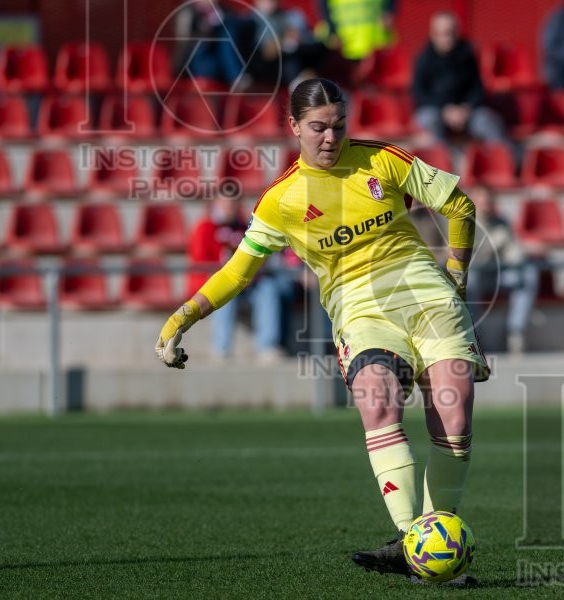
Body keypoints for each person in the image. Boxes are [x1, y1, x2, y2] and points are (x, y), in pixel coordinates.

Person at [156, 78, 488, 584]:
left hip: (428, 299)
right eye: (318, 128)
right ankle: (415, 545)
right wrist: (182, 318)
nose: (330, 137)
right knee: (376, 398)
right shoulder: (282, 200)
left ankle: (432, 538)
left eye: (338, 126)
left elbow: (458, 206)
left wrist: (458, 279)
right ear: (293, 128)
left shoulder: (383, 160)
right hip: (360, 311)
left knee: (454, 411)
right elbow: (238, 272)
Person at [187, 194, 296, 361]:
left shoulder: (244, 227)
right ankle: (222, 348)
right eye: (225, 204)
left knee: (268, 288)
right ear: (216, 204)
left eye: (232, 204)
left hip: (249, 284)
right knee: (224, 291)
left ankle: (267, 346)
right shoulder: (205, 228)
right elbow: (200, 264)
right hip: (218, 281)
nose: (229, 208)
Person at [411, 11, 507, 144]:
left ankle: (505, 161)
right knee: (429, 120)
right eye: (443, 34)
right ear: (433, 34)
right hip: (437, 111)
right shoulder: (423, 59)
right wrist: (445, 111)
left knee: (488, 120)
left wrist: (465, 109)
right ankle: (438, 162)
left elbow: (477, 88)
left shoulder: (467, 55)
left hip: (466, 112)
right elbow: (419, 94)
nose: (448, 38)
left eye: (451, 33)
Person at [464, 186, 538, 355]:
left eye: (488, 201)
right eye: (481, 201)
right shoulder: (465, 224)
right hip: (479, 277)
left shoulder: (501, 222)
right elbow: (469, 260)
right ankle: (476, 336)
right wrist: (493, 246)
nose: (486, 205)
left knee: (528, 274)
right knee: (470, 280)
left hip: (499, 275)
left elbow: (514, 254)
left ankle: (516, 331)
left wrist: (524, 251)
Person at [244, 0, 325, 89]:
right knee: (289, 57)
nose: (270, 3)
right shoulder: (250, 21)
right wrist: (282, 42)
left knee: (318, 46)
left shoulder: (288, 14)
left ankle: (305, 80)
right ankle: (299, 84)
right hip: (268, 66)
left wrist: (297, 38)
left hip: (296, 56)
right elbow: (265, 53)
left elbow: (305, 37)